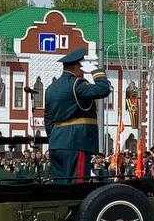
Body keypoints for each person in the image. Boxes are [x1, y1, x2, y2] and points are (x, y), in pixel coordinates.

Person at [45, 48, 111, 183]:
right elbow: (104, 89)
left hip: (56, 143)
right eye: (81, 67)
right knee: (77, 185)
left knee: (59, 184)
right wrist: (95, 71)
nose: (82, 71)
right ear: (76, 67)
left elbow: (47, 119)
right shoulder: (77, 84)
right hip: (76, 142)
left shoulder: (51, 88)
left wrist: (55, 138)